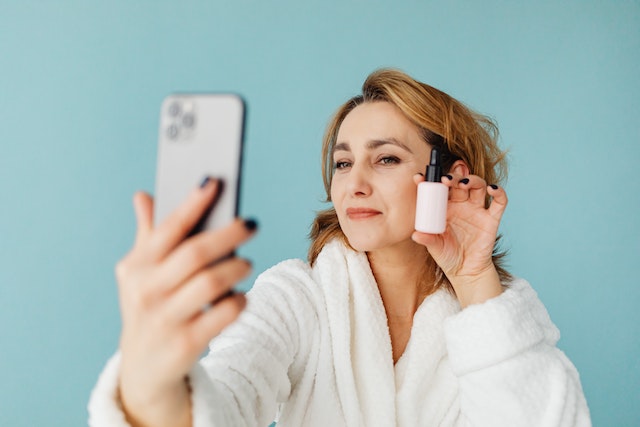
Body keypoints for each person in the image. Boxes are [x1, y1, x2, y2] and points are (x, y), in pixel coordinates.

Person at [89, 69, 591, 426]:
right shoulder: (297, 297)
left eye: (387, 159)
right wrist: (150, 385)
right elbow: (229, 395)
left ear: (449, 178)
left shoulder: (491, 317)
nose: (354, 184)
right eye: (344, 163)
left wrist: (473, 278)